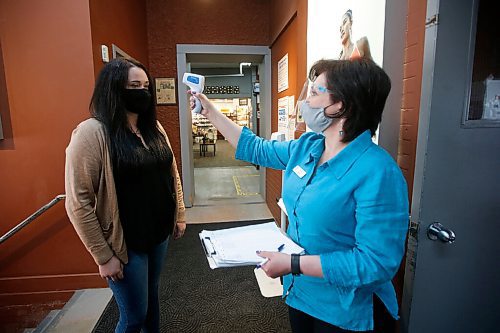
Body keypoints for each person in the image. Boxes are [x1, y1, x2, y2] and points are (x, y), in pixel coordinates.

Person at [190, 58, 408, 332]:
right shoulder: (308, 146)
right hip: (301, 293)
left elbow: (374, 263)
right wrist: (208, 110)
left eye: (315, 92)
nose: (305, 101)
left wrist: (294, 263)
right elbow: (256, 148)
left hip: (346, 310)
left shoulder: (378, 171)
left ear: (341, 105)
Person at [65, 58, 186, 332]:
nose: (142, 92)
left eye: (146, 86)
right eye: (134, 85)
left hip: (158, 234)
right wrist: (103, 256)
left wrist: (179, 214)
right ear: (114, 89)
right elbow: (78, 203)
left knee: (151, 301)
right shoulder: (92, 133)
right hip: (125, 243)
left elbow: (172, 173)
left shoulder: (154, 129)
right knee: (133, 317)